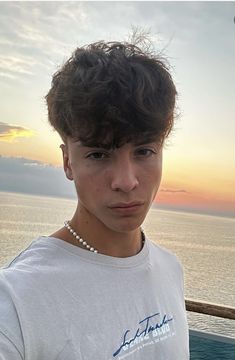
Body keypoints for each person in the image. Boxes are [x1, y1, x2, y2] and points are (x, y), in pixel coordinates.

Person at [0, 39, 189, 359]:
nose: (126, 182)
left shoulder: (170, 269)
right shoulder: (18, 300)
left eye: (144, 151)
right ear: (67, 162)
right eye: (99, 154)